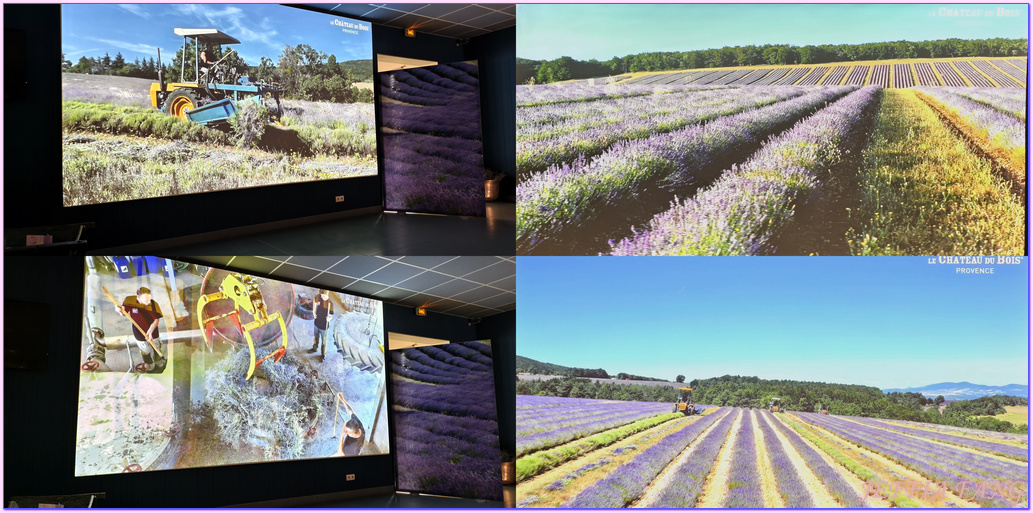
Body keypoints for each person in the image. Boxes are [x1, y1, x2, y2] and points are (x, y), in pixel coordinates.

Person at [118, 287, 164, 369]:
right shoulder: (129, 301)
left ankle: (158, 360)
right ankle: (148, 362)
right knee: (144, 350)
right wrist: (120, 310)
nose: (149, 302)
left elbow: (156, 320)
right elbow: (123, 313)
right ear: (138, 297)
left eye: (150, 299)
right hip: (138, 332)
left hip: (153, 331)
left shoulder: (153, 304)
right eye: (146, 300)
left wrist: (150, 332)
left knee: (156, 346)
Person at [335, 393, 365, 457]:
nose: (345, 431)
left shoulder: (353, 448)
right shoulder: (358, 424)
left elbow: (340, 453)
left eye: (347, 432)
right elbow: (351, 412)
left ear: (353, 434)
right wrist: (342, 399)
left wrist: (342, 437)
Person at [309, 290, 334, 360]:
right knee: (316, 337)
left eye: (324, 295)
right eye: (322, 295)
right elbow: (314, 300)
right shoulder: (319, 297)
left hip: (324, 326)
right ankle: (314, 348)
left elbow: (331, 315)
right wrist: (313, 311)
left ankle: (323, 355)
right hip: (316, 323)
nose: (322, 296)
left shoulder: (330, 304)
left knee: (324, 341)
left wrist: (329, 319)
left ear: (328, 294)